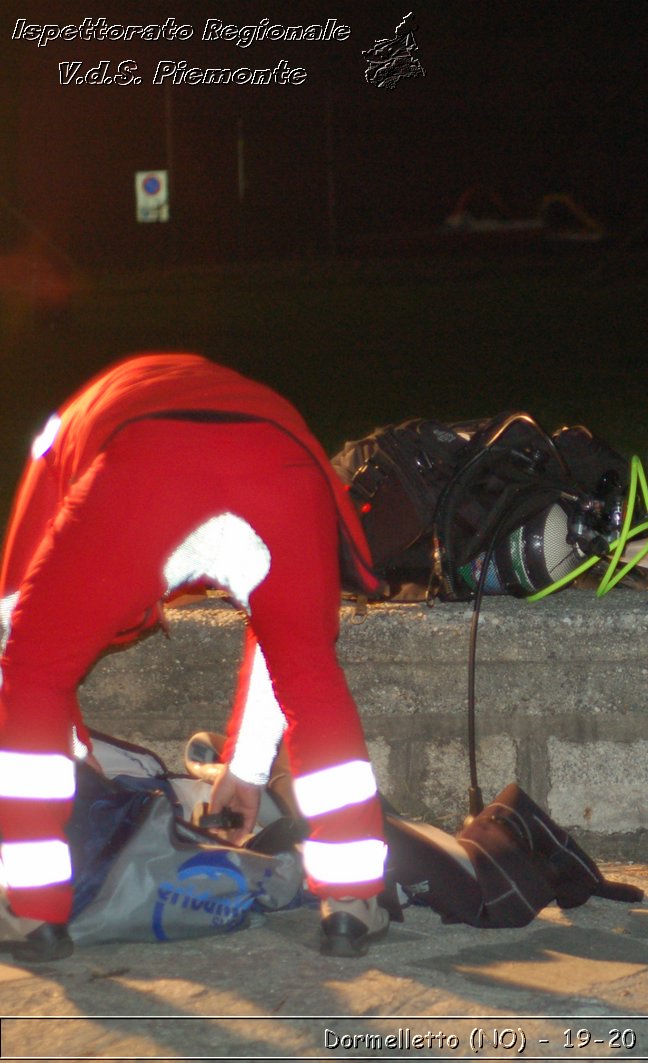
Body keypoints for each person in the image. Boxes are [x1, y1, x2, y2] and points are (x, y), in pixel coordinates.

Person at [0, 353, 391, 961]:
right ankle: (352, 902)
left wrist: (77, 761)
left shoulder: (57, 437)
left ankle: (32, 911)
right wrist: (246, 773)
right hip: (283, 460)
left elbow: (15, 622)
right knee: (309, 673)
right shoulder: (228, 391)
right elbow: (280, 649)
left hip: (149, 463)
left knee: (34, 670)